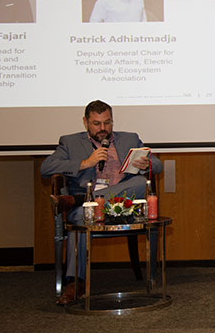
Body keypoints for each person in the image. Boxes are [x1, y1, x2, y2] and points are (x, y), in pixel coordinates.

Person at [41, 100, 162, 305]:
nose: (103, 129)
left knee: (141, 182)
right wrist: (85, 163)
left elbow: (157, 165)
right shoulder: (70, 142)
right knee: (79, 218)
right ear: (85, 122)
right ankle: (75, 283)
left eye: (107, 123)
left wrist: (147, 162)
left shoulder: (129, 138)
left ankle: (83, 200)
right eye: (97, 124)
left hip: (121, 205)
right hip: (85, 212)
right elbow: (46, 168)